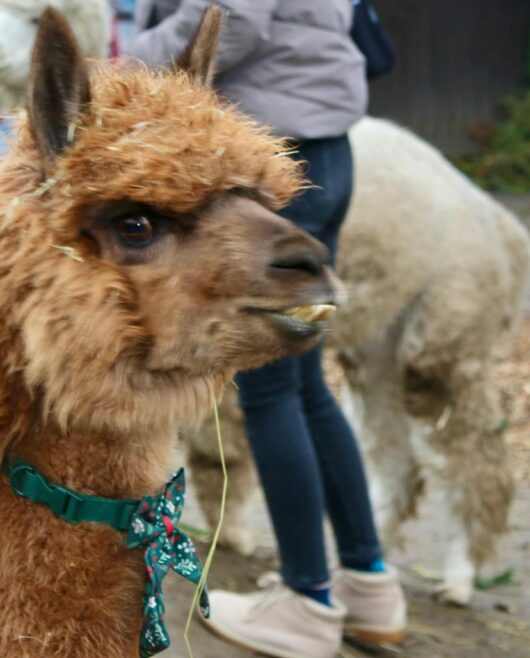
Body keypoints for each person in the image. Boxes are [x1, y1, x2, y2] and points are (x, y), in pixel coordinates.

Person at [126, 2, 407, 657]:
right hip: (325, 149)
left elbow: (232, 20)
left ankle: (307, 600)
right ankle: (367, 583)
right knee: (306, 386)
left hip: (277, 158)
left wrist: (121, 67)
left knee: (273, 389)